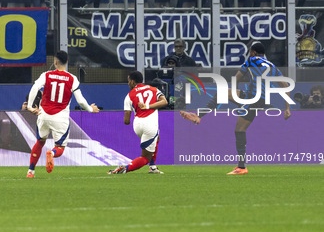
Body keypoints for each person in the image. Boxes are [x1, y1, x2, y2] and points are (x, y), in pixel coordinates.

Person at [180, 42, 291, 175]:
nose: (250, 54)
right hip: (259, 100)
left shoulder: (251, 60)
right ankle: (241, 167)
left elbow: (237, 78)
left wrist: (234, 94)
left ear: (254, 52)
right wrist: (287, 109)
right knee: (239, 130)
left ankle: (199, 116)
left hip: (251, 98)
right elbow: (285, 85)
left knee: (223, 93)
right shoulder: (272, 66)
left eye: (250, 51)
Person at [26, 50, 99, 178]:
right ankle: (52, 154)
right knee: (59, 147)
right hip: (60, 116)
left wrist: (30, 106)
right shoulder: (72, 79)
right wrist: (90, 109)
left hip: (43, 114)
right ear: (67, 62)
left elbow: (35, 88)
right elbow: (80, 100)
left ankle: (30, 172)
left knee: (40, 142)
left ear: (55, 62)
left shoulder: (46, 75)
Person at [108, 71, 168, 174]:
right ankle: (124, 169)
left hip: (137, 125)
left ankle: (153, 167)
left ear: (132, 81)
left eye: (128, 81)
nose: (128, 84)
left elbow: (126, 121)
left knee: (156, 138)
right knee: (145, 158)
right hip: (149, 124)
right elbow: (164, 102)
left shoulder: (129, 95)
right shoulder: (154, 89)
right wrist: (148, 106)